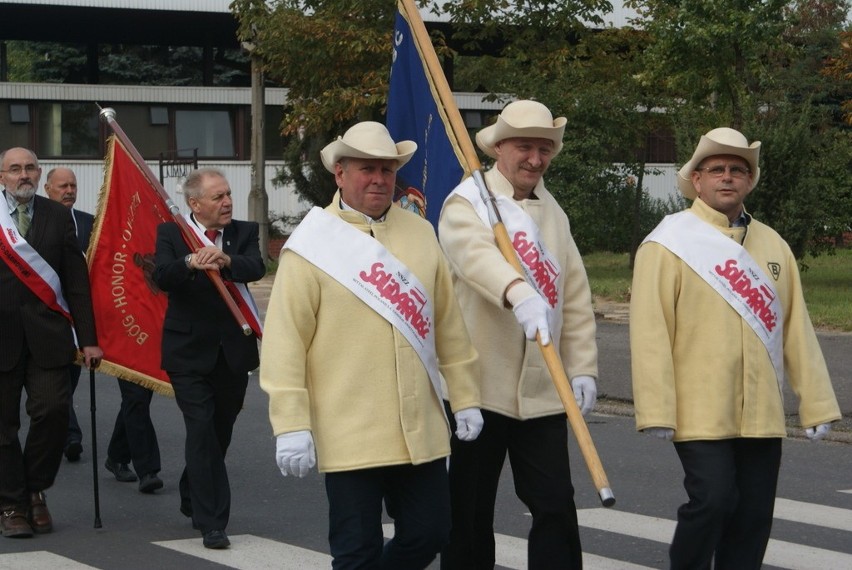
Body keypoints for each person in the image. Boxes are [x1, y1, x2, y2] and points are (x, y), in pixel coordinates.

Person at [259, 121, 483, 570]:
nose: (379, 178)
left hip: (419, 426)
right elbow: (285, 344)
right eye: (367, 169)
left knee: (430, 533)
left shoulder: (421, 233)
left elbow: (449, 326)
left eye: (387, 168)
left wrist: (465, 398)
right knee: (355, 551)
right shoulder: (310, 245)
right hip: (349, 429)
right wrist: (290, 423)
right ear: (340, 173)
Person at [630, 127, 842, 569]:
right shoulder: (667, 242)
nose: (728, 177)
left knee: (752, 517)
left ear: (749, 180)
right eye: (717, 169)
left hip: (761, 411)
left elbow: (795, 329)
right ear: (698, 179)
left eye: (738, 170)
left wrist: (817, 404)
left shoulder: (773, 244)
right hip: (698, 408)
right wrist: (655, 408)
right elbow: (650, 332)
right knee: (712, 501)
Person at [438, 100, 599, 569]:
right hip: (478, 385)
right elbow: (473, 258)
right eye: (524, 146)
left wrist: (584, 366)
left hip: (543, 389)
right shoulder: (467, 200)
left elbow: (574, 295)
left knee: (554, 504)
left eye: (544, 148)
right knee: (469, 509)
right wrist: (516, 292)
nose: (535, 158)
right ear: (499, 147)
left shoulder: (554, 212)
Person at [154, 167, 264, 550]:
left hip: (232, 352)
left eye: (228, 194)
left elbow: (258, 265)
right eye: (217, 197)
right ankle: (212, 522)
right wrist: (189, 263)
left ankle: (192, 487)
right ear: (194, 204)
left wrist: (227, 261)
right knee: (200, 429)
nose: (227, 202)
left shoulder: (243, 232)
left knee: (219, 432)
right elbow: (162, 275)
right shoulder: (173, 233)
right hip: (187, 353)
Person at [0, 148, 103, 538]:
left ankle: (34, 489)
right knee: (3, 429)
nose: (23, 175)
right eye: (14, 169)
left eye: (29, 168)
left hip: (49, 336)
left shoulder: (59, 217)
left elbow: (76, 282)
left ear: (38, 173)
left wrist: (89, 339)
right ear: (1, 177)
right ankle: (11, 504)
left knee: (53, 413)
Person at [43, 167, 93, 463]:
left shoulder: (89, 222)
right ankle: (71, 435)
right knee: (56, 383)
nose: (69, 191)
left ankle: (63, 432)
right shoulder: (34, 221)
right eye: (62, 186)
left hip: (79, 317)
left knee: (67, 383)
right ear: (48, 188)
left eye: (73, 185)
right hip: (48, 316)